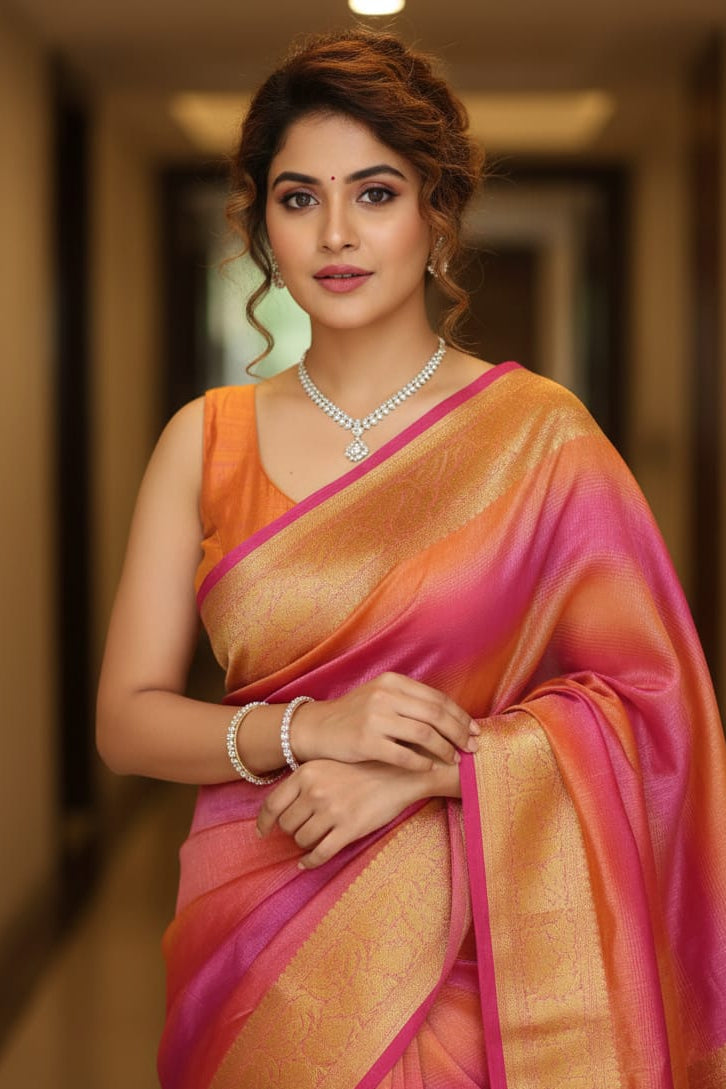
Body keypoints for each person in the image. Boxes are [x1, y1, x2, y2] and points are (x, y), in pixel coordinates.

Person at [96, 28, 726, 1089]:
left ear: (437, 211)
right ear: (261, 226)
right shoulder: (203, 440)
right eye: (299, 199)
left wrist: (432, 772)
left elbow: (653, 710)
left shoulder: (540, 437)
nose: (337, 233)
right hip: (254, 955)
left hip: (481, 965)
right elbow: (127, 722)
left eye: (375, 193)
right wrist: (312, 728)